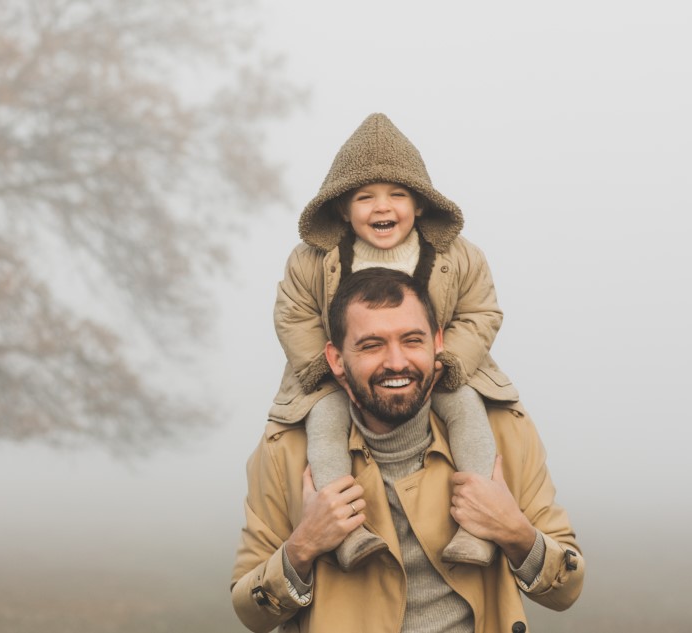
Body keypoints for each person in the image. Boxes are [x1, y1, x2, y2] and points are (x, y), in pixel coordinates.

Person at [232, 268, 584, 633]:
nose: (396, 362)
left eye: (412, 340)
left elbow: (566, 589)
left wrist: (514, 531)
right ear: (336, 360)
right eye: (371, 345)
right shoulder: (285, 451)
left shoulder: (506, 433)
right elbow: (250, 612)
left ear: (438, 343)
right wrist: (303, 546)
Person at [270, 113, 516, 570]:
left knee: (468, 413)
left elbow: (481, 311)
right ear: (342, 208)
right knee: (323, 425)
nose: (382, 208)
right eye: (365, 198)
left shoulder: (458, 256)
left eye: (397, 195)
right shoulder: (311, 261)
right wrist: (323, 369)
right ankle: (345, 532)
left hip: (435, 370)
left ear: (420, 204)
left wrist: (452, 360)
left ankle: (477, 526)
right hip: (341, 375)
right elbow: (293, 313)